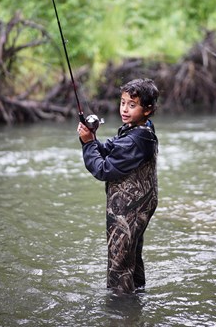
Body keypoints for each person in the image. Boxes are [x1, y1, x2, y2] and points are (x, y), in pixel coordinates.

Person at [77, 78, 159, 293]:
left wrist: (87, 144)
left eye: (132, 105)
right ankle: (138, 295)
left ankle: (120, 311)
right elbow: (110, 148)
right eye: (123, 103)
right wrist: (92, 139)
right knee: (131, 255)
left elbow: (103, 169)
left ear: (148, 110)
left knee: (119, 264)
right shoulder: (139, 129)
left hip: (128, 211)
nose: (124, 109)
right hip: (141, 206)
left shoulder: (135, 139)